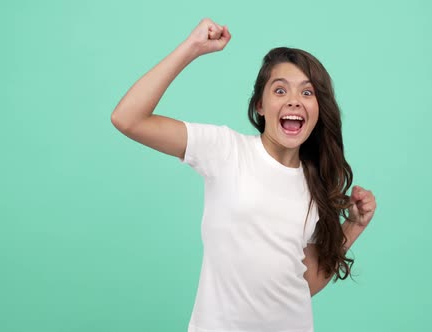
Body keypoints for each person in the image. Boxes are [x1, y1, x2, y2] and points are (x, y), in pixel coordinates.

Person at [111, 18, 377, 332]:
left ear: (319, 109)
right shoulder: (225, 150)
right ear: (259, 105)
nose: (294, 100)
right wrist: (191, 48)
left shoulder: (316, 181)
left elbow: (301, 284)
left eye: (307, 93)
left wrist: (354, 226)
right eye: (280, 90)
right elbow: (128, 118)